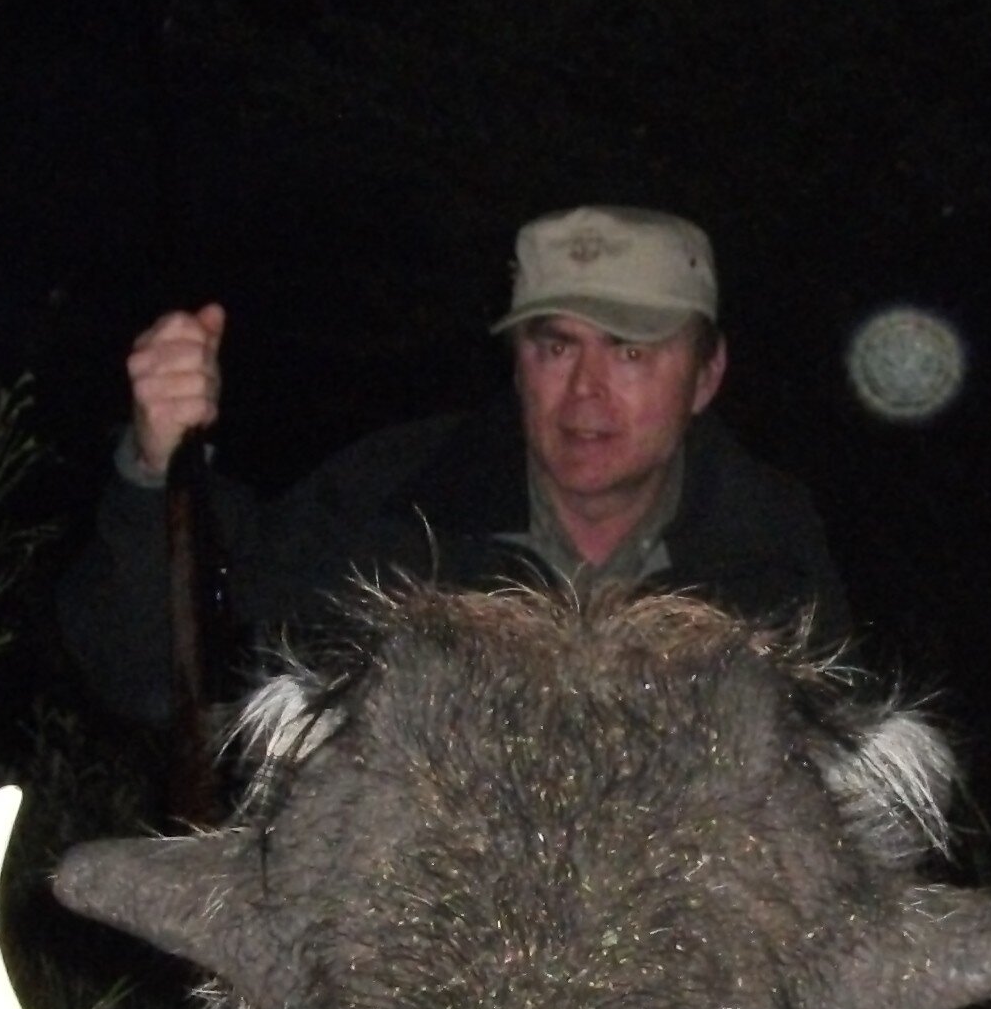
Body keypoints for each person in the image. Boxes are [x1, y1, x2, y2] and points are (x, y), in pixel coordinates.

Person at [56, 205, 849, 730]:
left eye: (632, 351)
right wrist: (161, 473)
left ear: (706, 377)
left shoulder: (770, 547)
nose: (586, 391)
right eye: (554, 346)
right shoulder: (391, 503)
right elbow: (153, 678)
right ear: (516, 366)